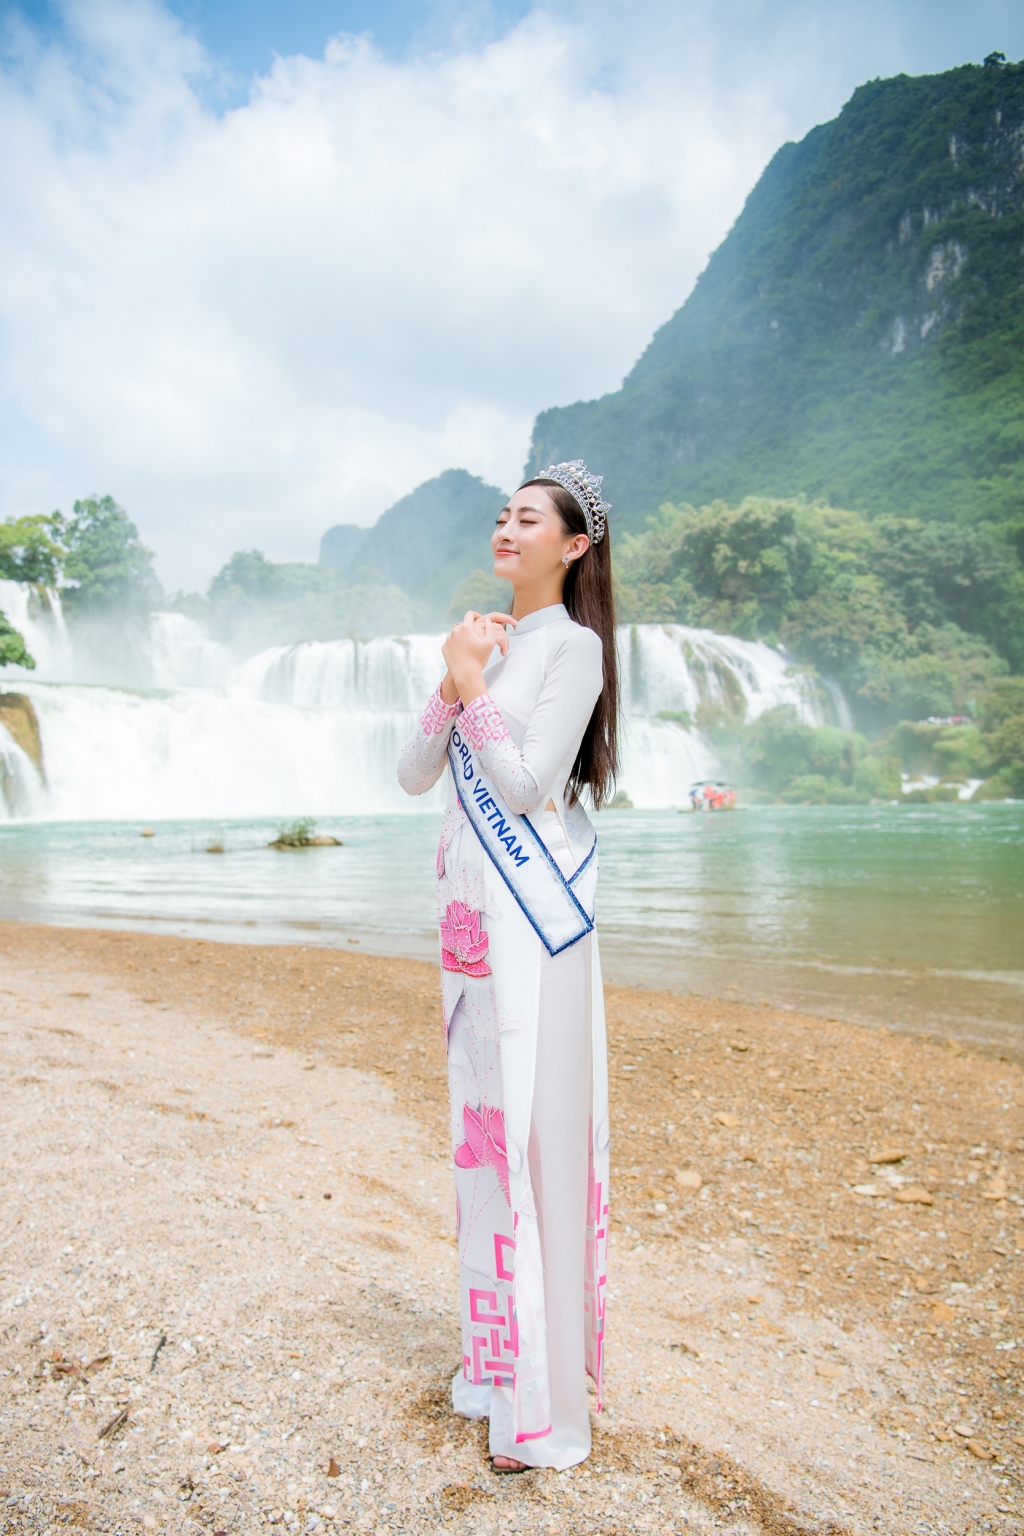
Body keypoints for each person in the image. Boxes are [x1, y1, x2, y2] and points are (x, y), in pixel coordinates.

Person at [397, 461, 619, 1473]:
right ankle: (496, 1368)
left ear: (573, 547)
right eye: (501, 514)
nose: (506, 526)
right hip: (471, 932)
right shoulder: (482, 641)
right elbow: (409, 774)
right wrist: (456, 675)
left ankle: (544, 1408)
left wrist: (475, 683)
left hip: (536, 925)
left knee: (537, 1144)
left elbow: (529, 788)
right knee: (485, 1147)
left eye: (528, 518)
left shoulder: (573, 650)